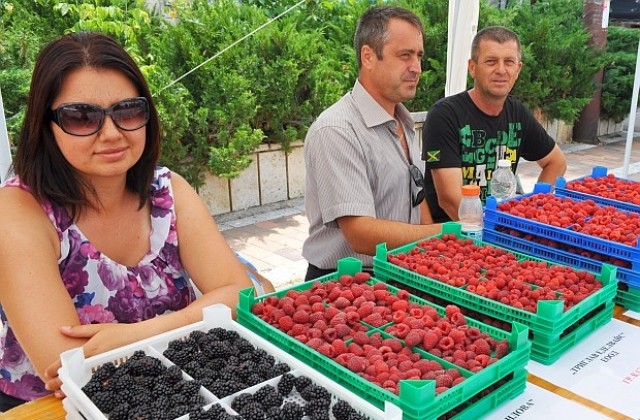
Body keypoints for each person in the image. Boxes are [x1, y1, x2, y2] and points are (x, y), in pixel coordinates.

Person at [0, 32, 273, 410]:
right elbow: (69, 366)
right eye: (81, 117)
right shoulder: (19, 210)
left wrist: (132, 336)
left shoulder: (166, 190)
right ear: (46, 126)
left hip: (173, 395)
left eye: (127, 111)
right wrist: (194, 318)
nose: (111, 133)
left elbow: (238, 294)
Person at [302, 6, 441, 281]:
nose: (416, 68)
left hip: (398, 275)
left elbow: (417, 195)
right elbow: (360, 233)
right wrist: (445, 234)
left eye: (419, 56)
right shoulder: (337, 130)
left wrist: (437, 256)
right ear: (368, 56)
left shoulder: (404, 122)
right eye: (405, 55)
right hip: (344, 288)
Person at [421, 26, 567, 223]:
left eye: (509, 62)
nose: (501, 70)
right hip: (452, 237)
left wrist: (534, 206)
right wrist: (494, 233)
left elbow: (557, 162)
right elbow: (449, 199)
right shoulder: (445, 114)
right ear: (472, 67)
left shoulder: (518, 114)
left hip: (499, 228)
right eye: (491, 61)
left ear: (518, 69)